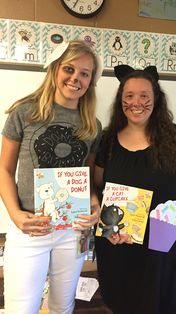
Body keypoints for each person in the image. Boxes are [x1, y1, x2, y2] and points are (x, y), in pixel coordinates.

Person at [0, 40, 103, 314]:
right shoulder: (24, 113)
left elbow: (88, 176)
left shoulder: (93, 125)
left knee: (62, 306)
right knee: (20, 309)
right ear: (55, 69)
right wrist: (15, 215)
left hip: (72, 230)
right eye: (69, 69)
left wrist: (94, 205)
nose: (75, 78)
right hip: (31, 227)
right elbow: (4, 170)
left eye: (85, 73)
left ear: (91, 80)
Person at [94, 65, 176, 314]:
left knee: (162, 303)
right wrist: (107, 226)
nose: (136, 102)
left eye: (144, 95)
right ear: (121, 100)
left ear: (156, 99)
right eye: (129, 96)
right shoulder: (108, 140)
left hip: (163, 245)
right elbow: (96, 187)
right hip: (118, 244)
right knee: (123, 302)